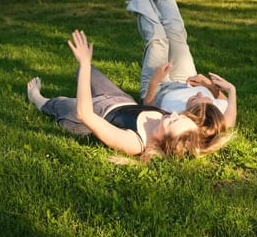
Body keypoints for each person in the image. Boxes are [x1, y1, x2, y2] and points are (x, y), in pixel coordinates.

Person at [27, 30, 229, 162]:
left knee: (58, 104)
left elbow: (84, 114)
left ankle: (38, 99)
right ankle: (82, 73)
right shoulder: (172, 121)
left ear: (163, 142)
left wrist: (87, 62)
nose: (173, 115)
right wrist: (154, 82)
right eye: (180, 116)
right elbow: (147, 104)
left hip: (94, 114)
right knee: (82, 71)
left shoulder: (134, 142)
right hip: (120, 100)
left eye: (172, 122)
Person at [125, 0, 237, 129]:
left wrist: (155, 81)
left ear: (188, 114)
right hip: (187, 78)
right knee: (176, 32)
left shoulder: (174, 118)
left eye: (195, 100)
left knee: (158, 39)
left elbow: (146, 107)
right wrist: (211, 87)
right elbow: (227, 111)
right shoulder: (215, 115)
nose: (200, 94)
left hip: (159, 86)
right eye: (205, 98)